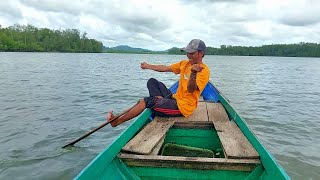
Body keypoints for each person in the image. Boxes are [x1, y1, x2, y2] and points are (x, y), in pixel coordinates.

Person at [107, 39, 210, 127]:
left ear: (201, 53)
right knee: (152, 82)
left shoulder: (204, 70)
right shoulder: (185, 64)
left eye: (192, 53)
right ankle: (159, 103)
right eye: (187, 52)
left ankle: (117, 121)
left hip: (183, 107)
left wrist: (193, 73)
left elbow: (191, 89)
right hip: (175, 98)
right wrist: (148, 66)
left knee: (146, 101)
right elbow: (166, 68)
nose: (188, 55)